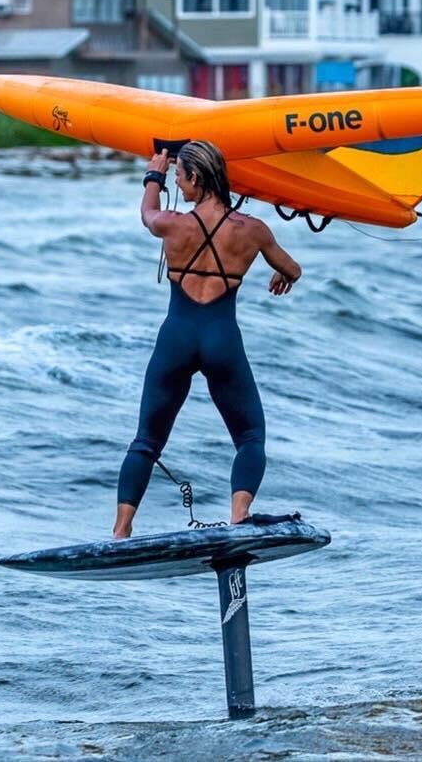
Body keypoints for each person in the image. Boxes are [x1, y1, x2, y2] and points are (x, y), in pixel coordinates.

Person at [112, 141, 302, 539]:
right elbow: (293, 268)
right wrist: (281, 276)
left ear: (195, 178)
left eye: (181, 178)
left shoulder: (172, 223)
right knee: (250, 438)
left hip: (176, 339)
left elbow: (146, 215)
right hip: (222, 340)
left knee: (146, 441)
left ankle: (121, 531)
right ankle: (239, 518)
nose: (179, 185)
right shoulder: (252, 230)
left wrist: (154, 174)